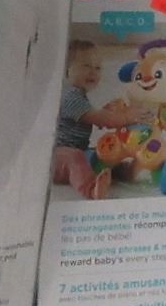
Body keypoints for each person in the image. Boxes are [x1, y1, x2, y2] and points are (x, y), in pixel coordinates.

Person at [51, 39, 137, 200]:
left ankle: (118, 171)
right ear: (66, 70)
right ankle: (91, 189)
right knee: (75, 158)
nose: (93, 72)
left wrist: (106, 111)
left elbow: (92, 117)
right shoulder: (70, 96)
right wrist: (126, 117)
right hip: (56, 157)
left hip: (78, 150)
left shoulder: (79, 95)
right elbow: (101, 119)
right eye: (86, 66)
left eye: (97, 68)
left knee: (99, 154)